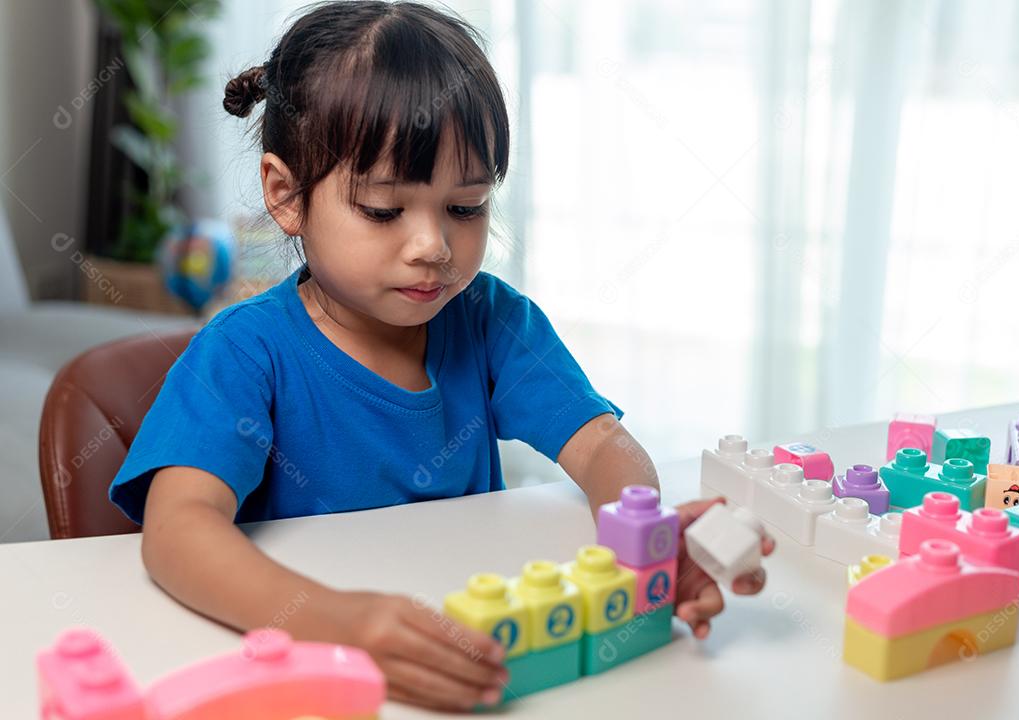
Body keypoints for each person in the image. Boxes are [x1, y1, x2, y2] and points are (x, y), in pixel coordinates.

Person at [109, 1, 773, 710]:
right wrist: (342, 623)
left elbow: (601, 445)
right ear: (287, 194)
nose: (433, 247)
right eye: (384, 209)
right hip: (320, 680)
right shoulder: (244, 353)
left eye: (465, 207)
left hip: (476, 651)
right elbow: (176, 534)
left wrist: (646, 535)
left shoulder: (489, 319)